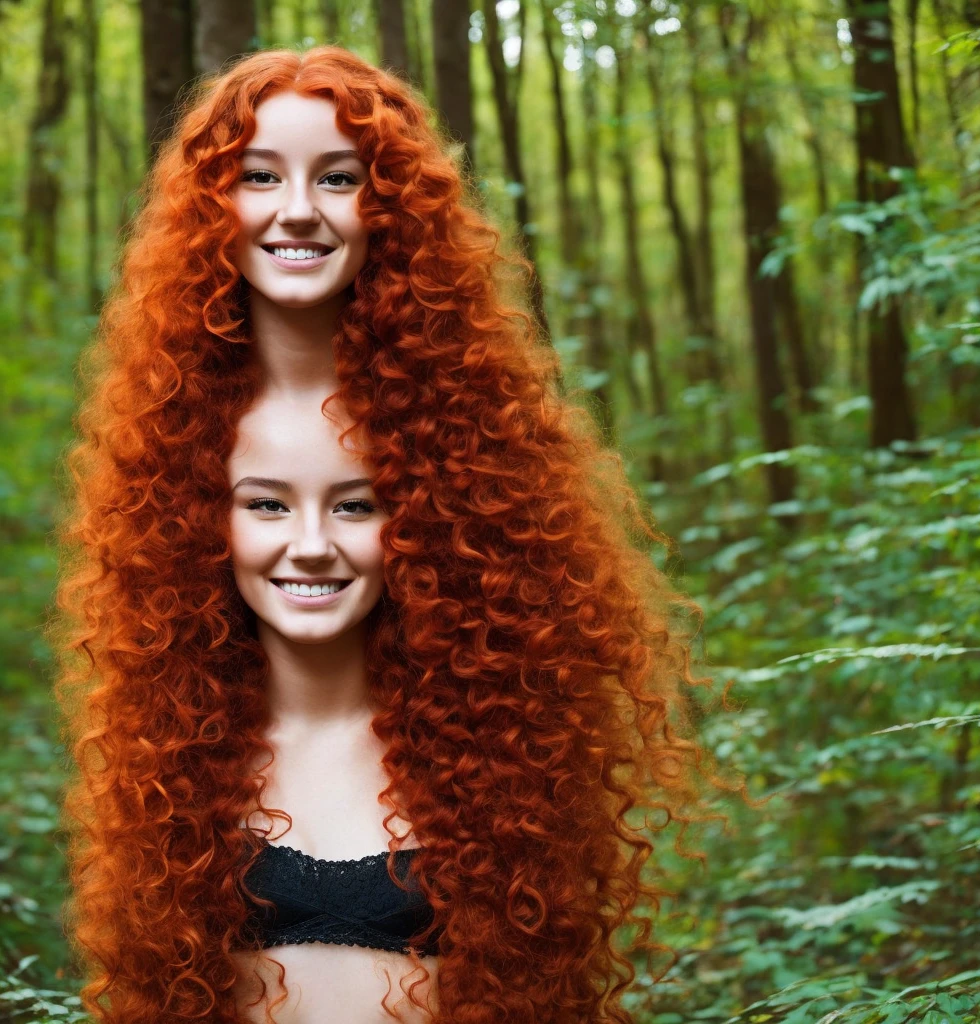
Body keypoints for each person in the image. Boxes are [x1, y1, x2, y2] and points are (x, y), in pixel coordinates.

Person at [54, 46, 719, 1024]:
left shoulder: (458, 430)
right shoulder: (178, 439)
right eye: (259, 176)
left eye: (337, 177)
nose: (297, 210)